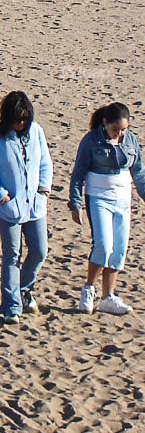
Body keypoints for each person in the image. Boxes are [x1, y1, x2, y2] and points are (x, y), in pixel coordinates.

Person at [0, 91, 53, 325]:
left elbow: (45, 163)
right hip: (9, 208)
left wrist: (43, 189)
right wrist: (1, 194)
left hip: (35, 206)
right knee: (12, 255)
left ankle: (24, 288)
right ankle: (12, 306)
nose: (21, 124)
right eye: (17, 119)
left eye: (24, 119)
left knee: (40, 251)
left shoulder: (37, 132)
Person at [69, 101, 145, 314]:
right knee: (103, 245)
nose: (119, 134)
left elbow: (138, 171)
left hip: (123, 199)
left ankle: (108, 296)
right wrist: (75, 203)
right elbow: (78, 174)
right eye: (115, 129)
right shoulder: (91, 141)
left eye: (123, 129)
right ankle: (88, 289)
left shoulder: (130, 141)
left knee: (119, 249)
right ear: (105, 123)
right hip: (99, 197)